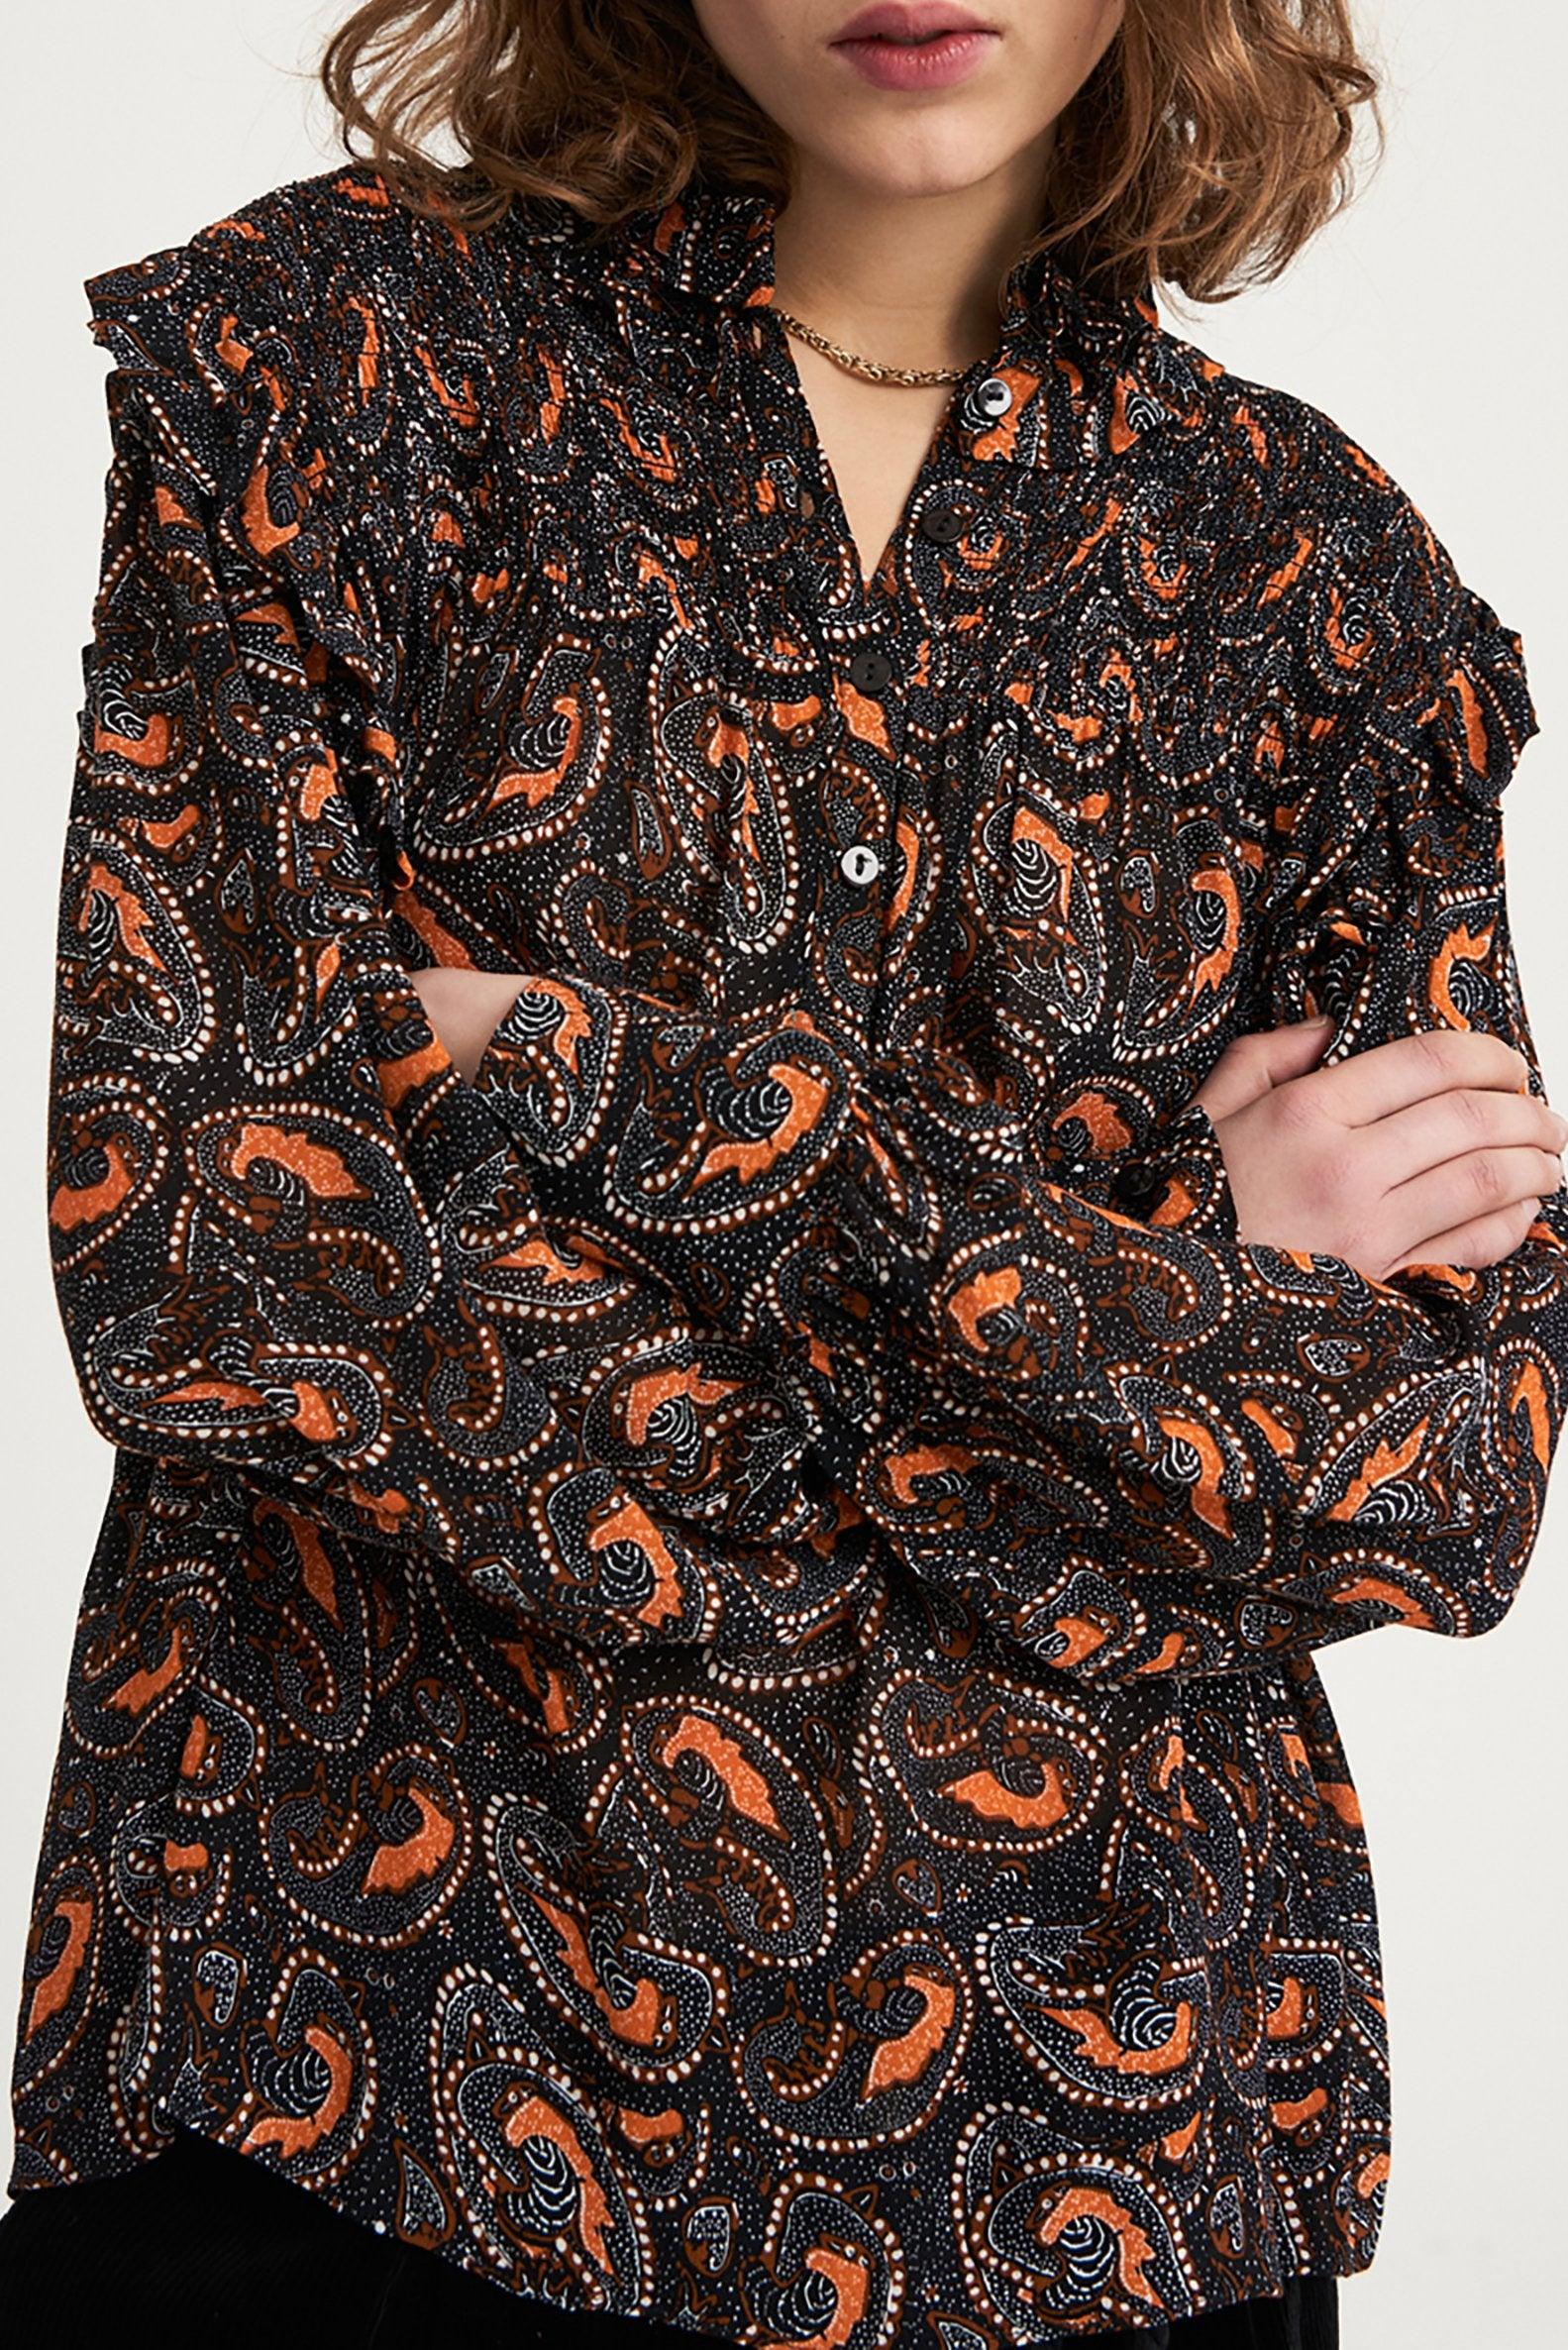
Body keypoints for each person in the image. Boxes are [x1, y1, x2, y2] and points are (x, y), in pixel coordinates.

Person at [3, 2, 1563, 2344]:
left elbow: (1438, 1473)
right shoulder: (331, 376)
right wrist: (1148, 1292)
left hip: (1115, 2173)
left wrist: (571, 1074)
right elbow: (218, 1279)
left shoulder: (1316, 588)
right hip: (355, 2091)